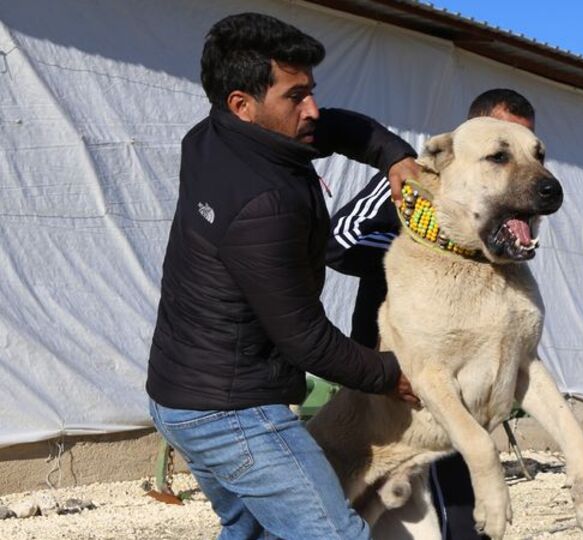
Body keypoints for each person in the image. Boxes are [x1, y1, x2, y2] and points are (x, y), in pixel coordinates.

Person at [146, 13, 419, 539]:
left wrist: (393, 155)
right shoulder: (265, 203)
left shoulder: (208, 139)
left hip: (175, 393)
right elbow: (304, 337)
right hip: (229, 414)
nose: (312, 109)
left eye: (312, 91)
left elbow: (332, 125)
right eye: (296, 96)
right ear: (242, 105)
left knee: (249, 530)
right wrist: (392, 373)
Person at [327, 88, 537, 539]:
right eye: (503, 151)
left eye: (529, 148)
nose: (521, 164)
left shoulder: (506, 207)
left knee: (461, 507)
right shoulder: (416, 179)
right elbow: (339, 242)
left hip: (467, 375)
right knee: (428, 509)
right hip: (402, 375)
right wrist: (428, 254)